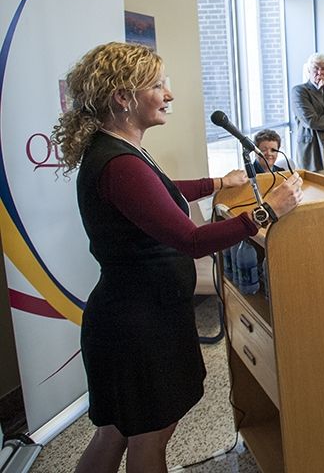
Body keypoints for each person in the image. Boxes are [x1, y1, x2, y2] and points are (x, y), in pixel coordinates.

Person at [51, 42, 302, 473]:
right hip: (138, 326)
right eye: (157, 85)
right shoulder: (119, 163)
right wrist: (265, 212)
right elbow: (190, 239)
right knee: (150, 438)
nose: (168, 95)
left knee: (117, 432)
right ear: (123, 97)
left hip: (135, 316)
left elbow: (159, 195)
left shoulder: (117, 151)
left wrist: (217, 181)